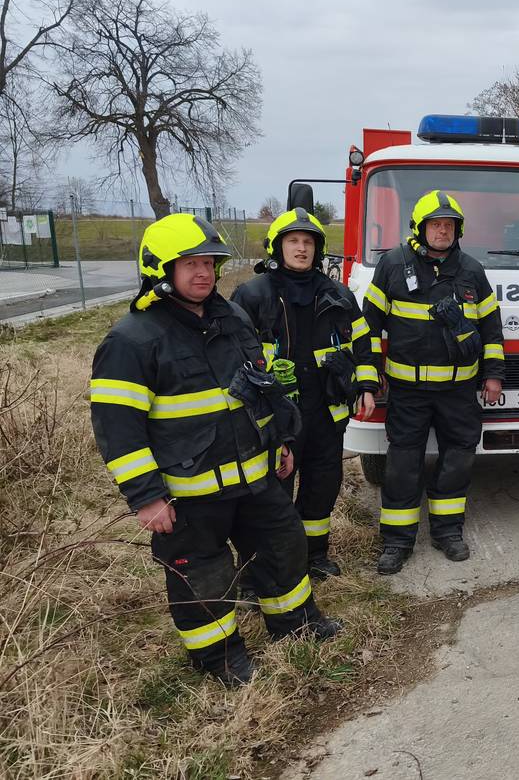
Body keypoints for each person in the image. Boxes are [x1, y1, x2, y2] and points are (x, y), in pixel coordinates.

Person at [89, 214, 341, 686]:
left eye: (209, 262)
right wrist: (145, 495)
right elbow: (117, 427)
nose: (204, 272)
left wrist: (282, 439)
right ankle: (222, 659)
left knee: (283, 549)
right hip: (190, 494)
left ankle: (297, 624)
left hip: (255, 476)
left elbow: (260, 389)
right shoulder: (131, 340)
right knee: (202, 579)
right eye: (190, 263)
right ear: (159, 269)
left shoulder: (232, 318)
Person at [231, 207, 379, 580]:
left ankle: (314, 557)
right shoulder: (252, 295)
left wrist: (365, 385)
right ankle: (266, 567)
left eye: (308, 242)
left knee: (321, 487)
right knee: (271, 493)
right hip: (275, 415)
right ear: (277, 247)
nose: (301, 249)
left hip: (326, 411)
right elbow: (233, 355)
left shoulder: (339, 295)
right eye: (293, 241)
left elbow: (364, 344)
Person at [362, 191, 505, 573]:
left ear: (458, 230)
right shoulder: (393, 265)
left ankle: (448, 532)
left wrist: (493, 375)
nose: (442, 231)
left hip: (459, 391)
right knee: (403, 463)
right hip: (408, 391)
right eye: (435, 224)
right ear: (420, 227)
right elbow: (368, 326)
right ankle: (396, 541)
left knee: (458, 457)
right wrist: (370, 371)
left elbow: (492, 329)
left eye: (448, 225)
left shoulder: (473, 272)